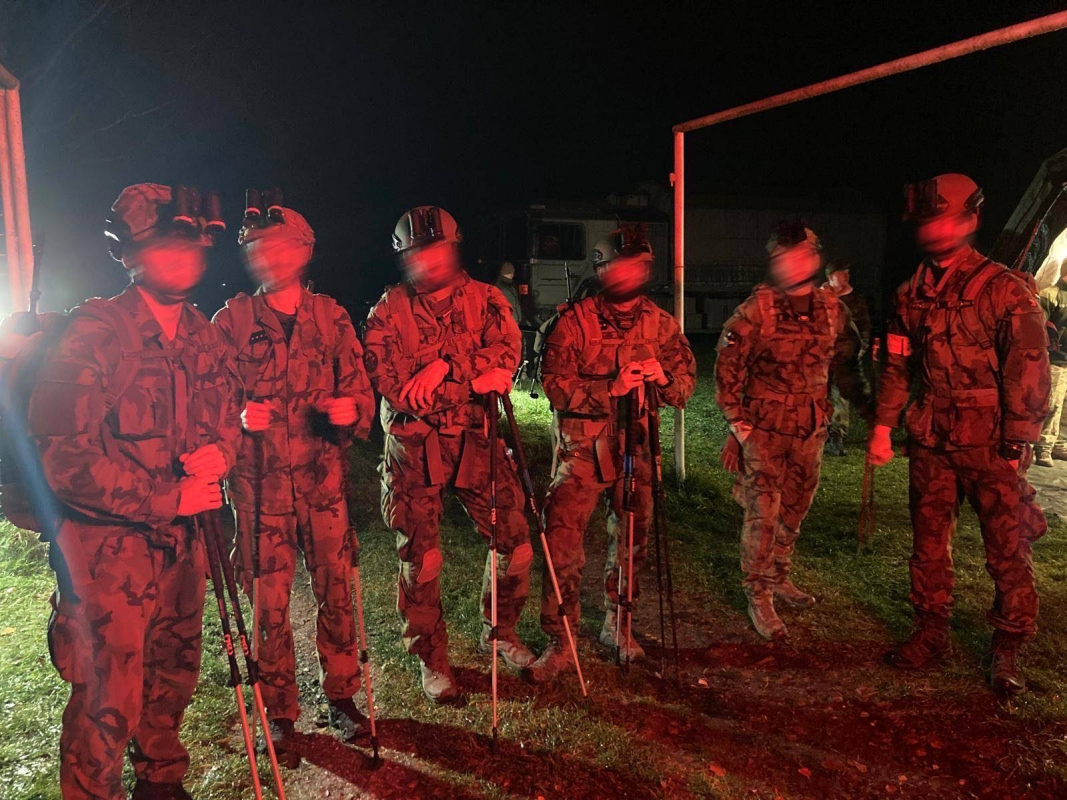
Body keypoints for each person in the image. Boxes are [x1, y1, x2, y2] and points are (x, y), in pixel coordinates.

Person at [30, 184, 241, 800]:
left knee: (173, 674)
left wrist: (222, 452)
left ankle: (161, 782)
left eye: (190, 244)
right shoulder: (97, 332)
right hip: (107, 555)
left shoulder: (203, 335)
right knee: (107, 699)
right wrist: (167, 499)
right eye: (164, 245)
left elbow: (228, 415)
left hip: (184, 546)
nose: (182, 257)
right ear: (129, 255)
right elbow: (63, 458)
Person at [868, 173, 1050, 695]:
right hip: (931, 437)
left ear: (971, 219)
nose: (935, 230)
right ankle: (930, 631)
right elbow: (897, 367)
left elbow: (1029, 365)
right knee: (928, 544)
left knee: (1007, 545)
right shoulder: (909, 294)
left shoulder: (1004, 289)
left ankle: (1008, 644)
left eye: (945, 219)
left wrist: (1017, 440)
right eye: (928, 221)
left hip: (991, 441)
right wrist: (883, 426)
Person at [212, 197, 376, 762]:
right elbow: (208, 403)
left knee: (337, 593)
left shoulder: (331, 318)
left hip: (322, 486)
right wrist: (237, 416)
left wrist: (349, 411)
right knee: (268, 604)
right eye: (256, 248)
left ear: (304, 251)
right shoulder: (231, 322)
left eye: (279, 245)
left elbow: (361, 393)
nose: (268, 256)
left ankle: (342, 696)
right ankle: (279, 712)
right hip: (259, 491)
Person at [363, 205, 534, 703]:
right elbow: (401, 391)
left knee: (516, 542)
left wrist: (445, 367)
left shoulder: (487, 300)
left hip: (476, 443)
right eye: (419, 252)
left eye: (437, 250)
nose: (429, 260)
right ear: (404, 257)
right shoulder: (387, 313)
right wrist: (472, 379)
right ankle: (431, 659)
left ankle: (499, 631)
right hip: (414, 451)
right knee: (423, 559)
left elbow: (507, 354)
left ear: (453, 249)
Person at [525, 227, 696, 683]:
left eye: (638, 267)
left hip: (636, 447)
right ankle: (561, 639)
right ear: (601, 271)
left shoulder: (661, 324)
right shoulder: (574, 322)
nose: (629, 274)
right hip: (582, 452)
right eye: (620, 267)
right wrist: (610, 389)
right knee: (562, 544)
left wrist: (663, 379)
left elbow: (683, 388)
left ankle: (619, 625)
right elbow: (556, 387)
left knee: (632, 542)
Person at [715, 220, 871, 641]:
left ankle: (779, 574)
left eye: (800, 256)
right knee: (762, 515)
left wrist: (869, 409)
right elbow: (727, 371)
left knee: (795, 508)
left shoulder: (832, 310)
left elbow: (846, 367)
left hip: (809, 431)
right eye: (783, 258)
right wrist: (739, 427)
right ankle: (758, 593)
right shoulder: (757, 309)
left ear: (815, 260)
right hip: (764, 433)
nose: (792, 264)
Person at [822, 260, 871, 456]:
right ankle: (818, 432)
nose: (846, 276)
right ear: (830, 276)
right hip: (820, 359)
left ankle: (837, 435)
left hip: (844, 358)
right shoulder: (818, 298)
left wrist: (859, 350)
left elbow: (864, 328)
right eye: (841, 273)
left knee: (840, 395)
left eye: (847, 273)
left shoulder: (856, 299)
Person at [1035, 258, 1067, 466]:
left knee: (1064, 408)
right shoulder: (1050, 295)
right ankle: (1043, 447)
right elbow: (1038, 326)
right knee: (1053, 404)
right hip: (1055, 359)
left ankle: (1059, 444)